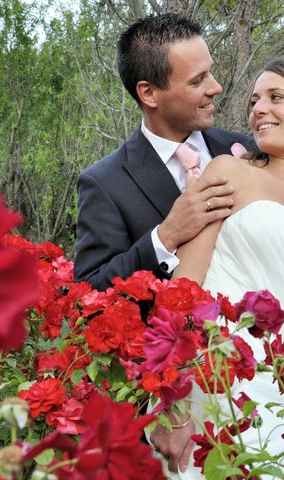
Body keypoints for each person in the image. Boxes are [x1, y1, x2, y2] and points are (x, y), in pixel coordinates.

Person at [156, 56, 284, 479]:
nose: (258, 109)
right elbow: (182, 295)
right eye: (254, 100)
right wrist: (172, 408)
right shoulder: (230, 172)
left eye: (276, 97)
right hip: (219, 384)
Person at [73, 13, 254, 291]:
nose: (216, 87)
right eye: (197, 81)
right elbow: (88, 291)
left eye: (211, 72)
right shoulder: (104, 184)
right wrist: (165, 236)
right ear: (149, 94)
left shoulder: (246, 151)